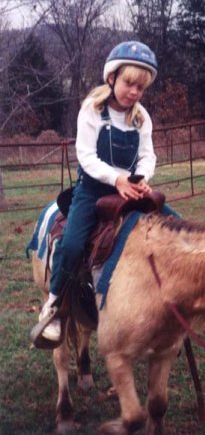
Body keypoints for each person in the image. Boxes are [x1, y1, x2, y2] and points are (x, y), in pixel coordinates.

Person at [39, 41, 158, 341]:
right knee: (73, 245)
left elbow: (147, 154)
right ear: (111, 78)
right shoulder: (92, 110)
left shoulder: (141, 117)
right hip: (92, 191)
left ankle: (161, 308)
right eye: (129, 83)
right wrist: (117, 179)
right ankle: (54, 304)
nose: (134, 92)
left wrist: (142, 177)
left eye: (140, 88)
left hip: (129, 190)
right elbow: (86, 156)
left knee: (171, 228)